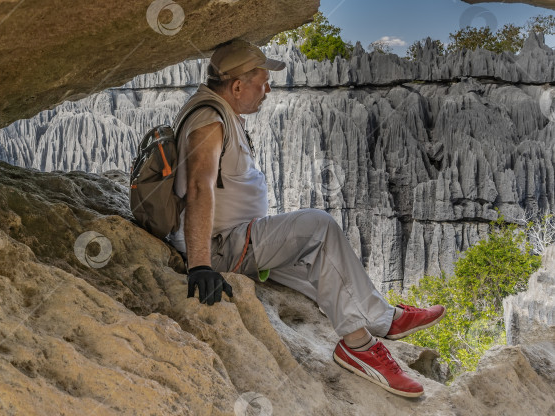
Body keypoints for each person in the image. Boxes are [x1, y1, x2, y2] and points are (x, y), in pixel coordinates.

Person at [168, 39, 446, 398]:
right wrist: (200, 266)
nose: (267, 88)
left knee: (327, 271)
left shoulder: (216, 109)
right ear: (237, 86)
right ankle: (360, 346)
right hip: (225, 246)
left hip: (238, 240)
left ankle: (382, 317)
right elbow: (198, 186)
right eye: (262, 80)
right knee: (319, 225)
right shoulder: (210, 119)